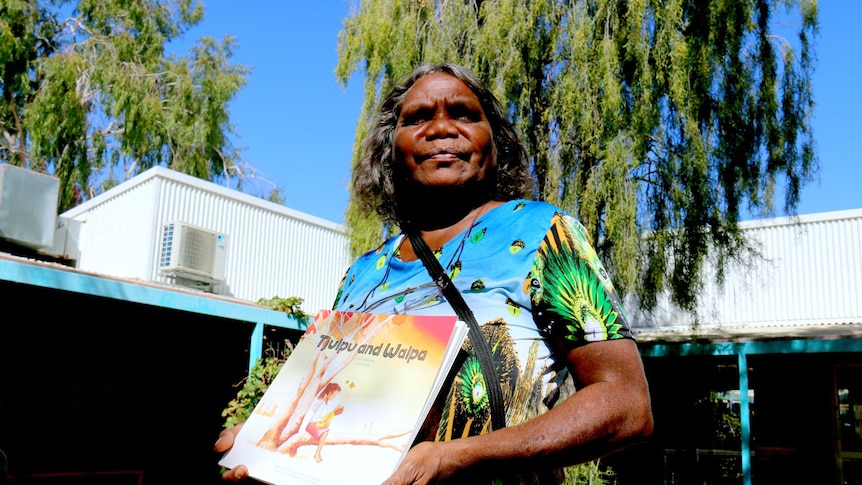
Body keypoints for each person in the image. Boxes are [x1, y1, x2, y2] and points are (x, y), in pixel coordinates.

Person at [215, 62, 653, 484]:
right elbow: (327, 415)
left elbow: (627, 404)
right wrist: (264, 449)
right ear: (391, 150)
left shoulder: (541, 233)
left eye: (463, 114)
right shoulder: (362, 275)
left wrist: (455, 458)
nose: (441, 128)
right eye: (419, 117)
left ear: (495, 142)